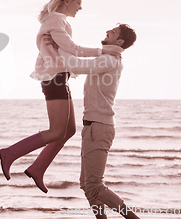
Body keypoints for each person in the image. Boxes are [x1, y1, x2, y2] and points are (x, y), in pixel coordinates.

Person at [0, 0, 119, 193]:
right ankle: (9, 153)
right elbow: (73, 49)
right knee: (56, 131)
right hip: (54, 79)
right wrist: (105, 50)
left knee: (68, 130)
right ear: (67, 0)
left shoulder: (58, 21)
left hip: (59, 78)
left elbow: (66, 52)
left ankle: (37, 168)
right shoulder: (55, 21)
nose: (80, 7)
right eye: (79, 2)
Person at [57, 23, 140, 219]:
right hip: (92, 126)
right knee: (87, 186)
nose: (108, 31)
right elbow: (78, 65)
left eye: (113, 32)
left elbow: (77, 65)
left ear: (119, 41)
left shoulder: (110, 60)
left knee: (94, 186)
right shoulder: (106, 59)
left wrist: (58, 44)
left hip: (99, 127)